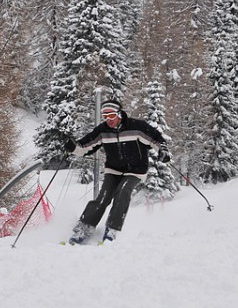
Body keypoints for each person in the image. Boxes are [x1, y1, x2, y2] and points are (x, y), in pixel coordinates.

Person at [62, 98, 169, 244]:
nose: (108, 119)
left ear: (119, 114)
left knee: (123, 192)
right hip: (113, 170)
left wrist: (162, 151)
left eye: (111, 115)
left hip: (135, 170)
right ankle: (84, 227)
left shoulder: (136, 127)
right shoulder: (103, 130)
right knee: (103, 197)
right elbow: (85, 146)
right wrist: (72, 147)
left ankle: (111, 230)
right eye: (105, 116)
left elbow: (156, 139)